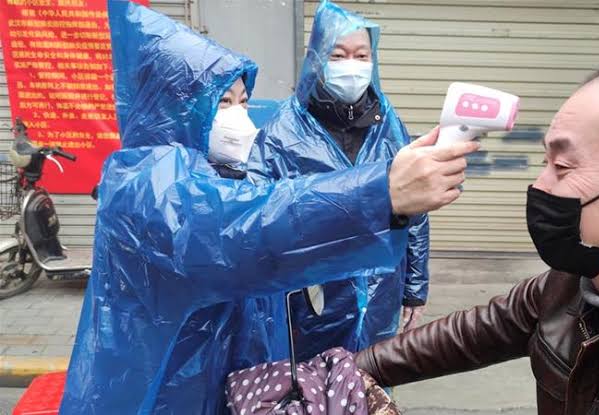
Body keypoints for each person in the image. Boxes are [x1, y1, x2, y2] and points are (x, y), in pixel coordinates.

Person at [60, 2, 477, 414]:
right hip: (165, 395)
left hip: (222, 383)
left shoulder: (210, 170)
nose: (242, 118)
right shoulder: (143, 183)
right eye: (224, 103)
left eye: (244, 102)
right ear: (177, 105)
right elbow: (243, 230)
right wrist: (380, 193)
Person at [356, 56, 599, 414]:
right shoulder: (580, 276)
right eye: (545, 162)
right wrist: (345, 370)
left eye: (563, 166)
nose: (540, 185)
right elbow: (481, 330)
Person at [247, 0, 429, 362]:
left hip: (381, 295)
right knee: (315, 382)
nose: (352, 66)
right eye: (339, 54)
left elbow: (416, 210)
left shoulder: (388, 125)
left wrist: (414, 288)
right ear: (318, 58)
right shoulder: (283, 131)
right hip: (309, 303)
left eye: (362, 56)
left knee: (373, 377)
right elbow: (257, 216)